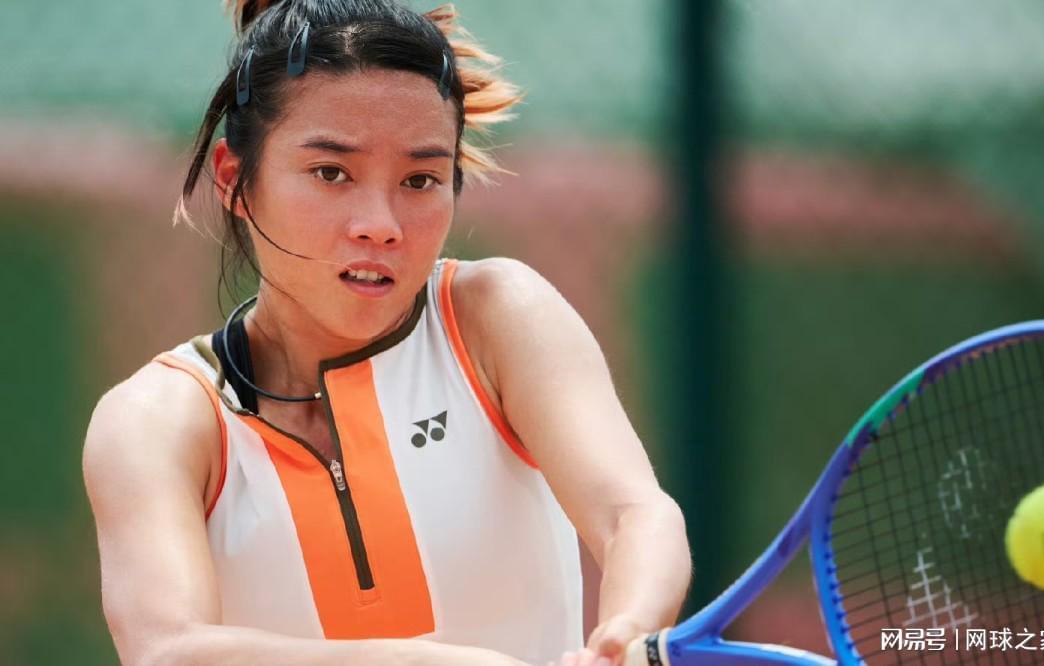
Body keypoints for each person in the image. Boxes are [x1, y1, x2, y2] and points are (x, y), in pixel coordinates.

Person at [82, 1, 691, 664]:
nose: (381, 224)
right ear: (235, 180)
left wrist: (627, 629)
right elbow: (168, 650)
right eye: (331, 173)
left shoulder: (498, 316)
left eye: (420, 179)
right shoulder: (155, 419)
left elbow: (635, 515)